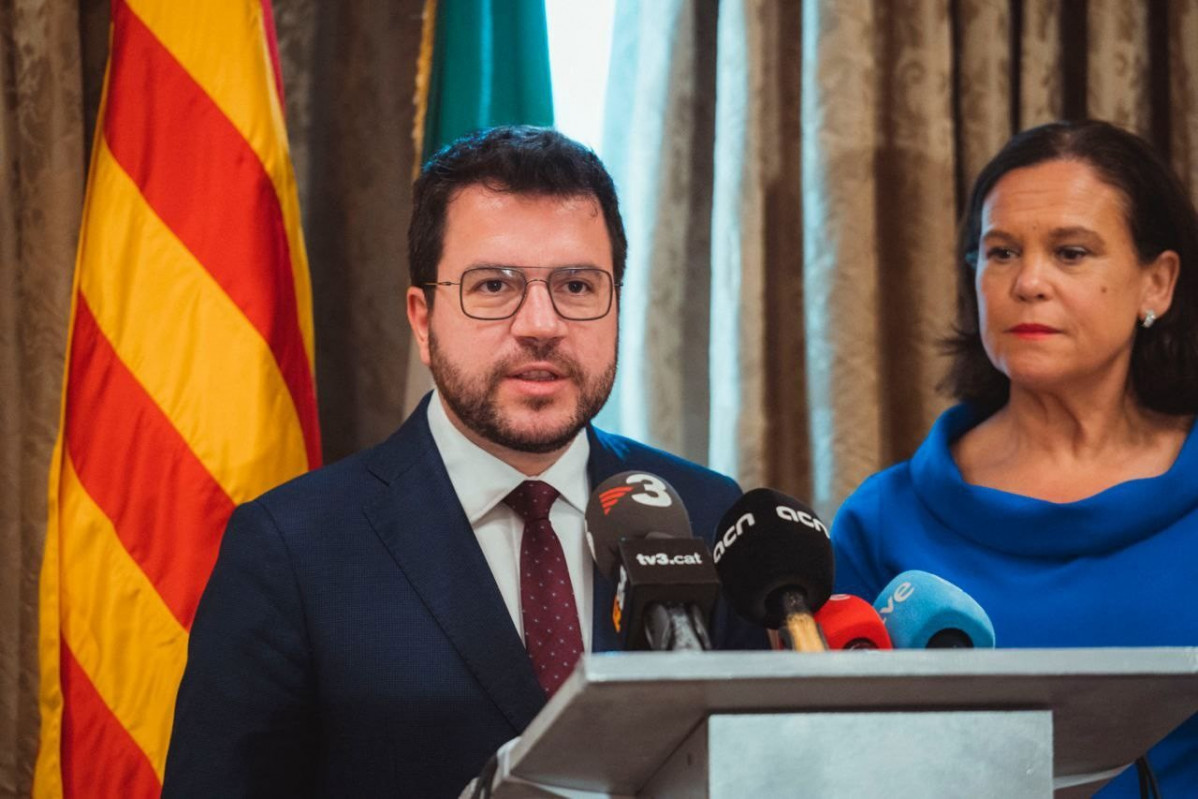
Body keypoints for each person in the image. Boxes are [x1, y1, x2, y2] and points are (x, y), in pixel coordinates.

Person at [162, 126, 767, 799]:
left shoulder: (705, 514)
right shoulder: (291, 550)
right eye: (493, 286)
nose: (541, 322)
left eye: (576, 284)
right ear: (422, 319)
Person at [831, 118, 1198, 796]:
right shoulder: (883, 522)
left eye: (1071, 252)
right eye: (1000, 252)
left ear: (1158, 283)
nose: (1028, 282)